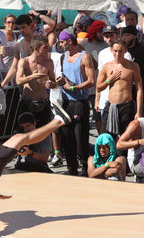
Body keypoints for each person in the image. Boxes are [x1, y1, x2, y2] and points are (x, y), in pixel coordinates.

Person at [56, 27, 95, 176]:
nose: (60, 45)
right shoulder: (63, 56)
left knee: (80, 140)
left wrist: (74, 87)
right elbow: (64, 77)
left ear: (70, 41)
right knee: (67, 139)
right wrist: (58, 82)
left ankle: (86, 169)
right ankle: (71, 169)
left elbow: (92, 81)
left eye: (62, 42)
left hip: (80, 102)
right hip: (66, 102)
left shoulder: (84, 56)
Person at [97, 39, 143, 138]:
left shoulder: (133, 66)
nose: (117, 54)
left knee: (125, 137)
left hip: (126, 106)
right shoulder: (107, 66)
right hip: (110, 105)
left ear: (125, 50)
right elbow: (98, 88)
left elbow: (139, 89)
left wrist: (138, 112)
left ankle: (122, 154)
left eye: (120, 51)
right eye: (115, 51)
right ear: (112, 51)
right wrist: (110, 79)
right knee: (105, 138)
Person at [16, 34, 56, 127]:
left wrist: (51, 84)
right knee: (27, 134)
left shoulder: (49, 62)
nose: (48, 49)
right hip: (28, 103)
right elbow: (18, 80)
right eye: (45, 47)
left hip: (43, 103)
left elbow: (53, 82)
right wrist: (33, 76)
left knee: (44, 134)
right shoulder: (24, 62)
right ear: (35, 48)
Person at [96, 25, 133, 120]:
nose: (109, 39)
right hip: (105, 100)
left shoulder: (126, 54)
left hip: (122, 102)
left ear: (117, 35)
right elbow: (99, 79)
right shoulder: (102, 54)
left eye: (111, 35)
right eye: (106, 36)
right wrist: (97, 100)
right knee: (106, 132)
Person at [1, 14, 34, 87]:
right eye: (19, 28)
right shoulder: (18, 46)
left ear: (31, 25)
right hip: (25, 88)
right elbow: (14, 67)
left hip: (41, 88)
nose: (21, 30)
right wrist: (3, 83)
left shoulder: (40, 42)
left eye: (23, 27)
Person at [121, 25, 144, 105]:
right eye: (124, 35)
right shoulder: (122, 50)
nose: (125, 37)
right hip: (124, 87)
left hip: (138, 86)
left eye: (128, 35)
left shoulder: (141, 50)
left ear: (134, 36)